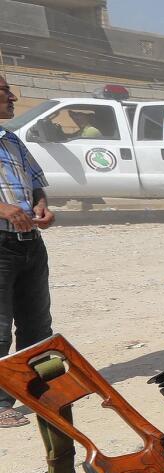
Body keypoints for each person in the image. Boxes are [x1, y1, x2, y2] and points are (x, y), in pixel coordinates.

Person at [0, 74, 56, 429]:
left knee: (37, 323)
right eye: (3, 90)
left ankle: (34, 389)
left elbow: (36, 185)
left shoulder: (12, 140)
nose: (13, 96)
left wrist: (42, 208)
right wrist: (3, 209)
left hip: (29, 245)